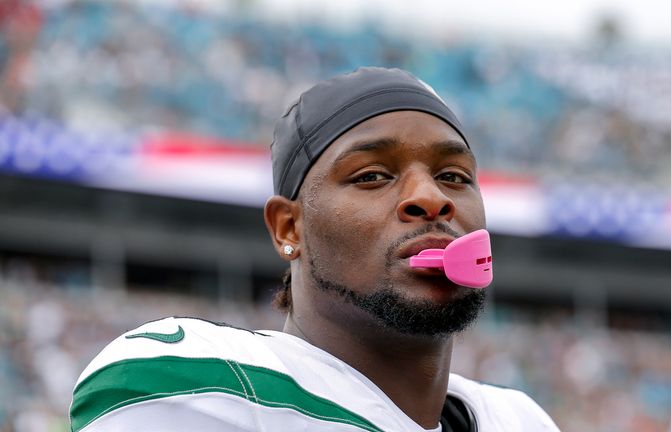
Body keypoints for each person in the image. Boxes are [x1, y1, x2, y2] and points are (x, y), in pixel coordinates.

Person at [69, 67, 561, 432]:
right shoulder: (203, 383)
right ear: (289, 227)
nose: (431, 198)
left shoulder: (520, 420)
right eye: (372, 176)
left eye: (453, 177)